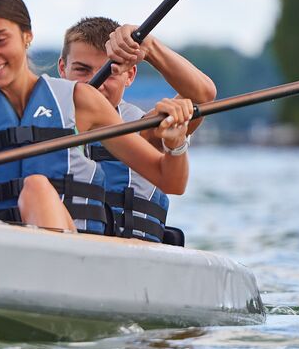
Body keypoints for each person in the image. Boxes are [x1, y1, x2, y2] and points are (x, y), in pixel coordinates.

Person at [0, 0, 194, 232]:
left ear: (27, 36)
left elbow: (170, 180)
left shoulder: (81, 101)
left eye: (0, 41)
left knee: (37, 188)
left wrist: (175, 144)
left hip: (65, 255)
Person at [57, 16, 216, 243]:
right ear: (63, 69)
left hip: (134, 257)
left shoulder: (144, 129)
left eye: (109, 72)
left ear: (129, 75)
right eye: (82, 70)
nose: (97, 84)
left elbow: (204, 95)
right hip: (66, 249)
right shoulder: (44, 119)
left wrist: (149, 47)